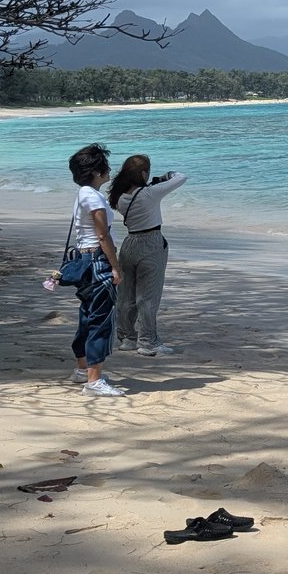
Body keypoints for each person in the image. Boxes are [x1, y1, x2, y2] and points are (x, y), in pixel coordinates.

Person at [108, 155, 189, 356]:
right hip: (151, 242)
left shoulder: (120, 198)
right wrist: (164, 177)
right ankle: (148, 340)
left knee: (126, 295)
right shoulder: (150, 193)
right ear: (144, 173)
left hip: (129, 243)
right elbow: (181, 177)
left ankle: (127, 337)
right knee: (148, 296)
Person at [65, 143, 126, 396]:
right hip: (97, 261)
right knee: (101, 320)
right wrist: (116, 267)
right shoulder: (94, 197)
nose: (110, 170)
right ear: (97, 171)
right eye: (106, 166)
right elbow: (103, 236)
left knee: (87, 315)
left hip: (84, 260)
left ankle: (83, 370)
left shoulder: (83, 194)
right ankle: (94, 380)